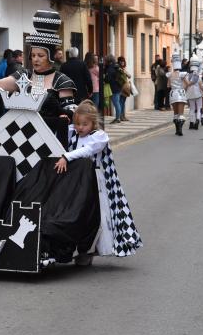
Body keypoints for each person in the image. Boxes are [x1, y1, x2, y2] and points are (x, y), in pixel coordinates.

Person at [54, 100, 142, 264]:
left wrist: (67, 156)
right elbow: (56, 136)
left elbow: (87, 151)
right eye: (77, 123)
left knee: (96, 215)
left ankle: (88, 251)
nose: (80, 127)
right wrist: (61, 122)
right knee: (75, 213)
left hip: (94, 181)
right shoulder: (73, 132)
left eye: (84, 124)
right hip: (75, 181)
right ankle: (74, 248)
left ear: (94, 123)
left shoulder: (99, 137)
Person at [0, 10, 77, 120]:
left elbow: (71, 113)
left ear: (50, 57)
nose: (35, 59)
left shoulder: (62, 81)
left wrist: (61, 113)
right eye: (33, 55)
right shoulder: (24, 75)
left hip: (51, 133)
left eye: (40, 55)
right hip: (23, 132)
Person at [167, 51, 188, 136]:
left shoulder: (169, 74)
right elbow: (187, 84)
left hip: (173, 94)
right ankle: (180, 129)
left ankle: (176, 129)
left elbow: (168, 85)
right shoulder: (182, 74)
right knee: (181, 114)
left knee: (175, 114)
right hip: (181, 93)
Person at [185, 55, 203, 130]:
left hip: (190, 94)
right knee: (199, 108)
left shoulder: (187, 76)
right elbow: (201, 86)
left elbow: (186, 86)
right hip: (198, 94)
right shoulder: (198, 76)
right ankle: (197, 120)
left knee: (192, 109)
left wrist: (186, 93)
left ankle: (191, 123)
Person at [105, 55, 122, 123]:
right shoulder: (116, 66)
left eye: (106, 60)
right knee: (117, 103)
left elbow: (108, 79)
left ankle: (118, 118)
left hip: (114, 88)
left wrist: (104, 78)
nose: (105, 62)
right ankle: (118, 117)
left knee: (116, 103)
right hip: (118, 87)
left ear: (109, 61)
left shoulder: (110, 68)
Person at [117, 56, 131, 121]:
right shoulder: (118, 69)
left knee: (123, 102)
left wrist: (124, 71)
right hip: (120, 87)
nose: (122, 62)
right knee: (121, 102)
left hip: (125, 88)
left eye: (123, 61)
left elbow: (129, 76)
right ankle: (120, 116)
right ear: (119, 62)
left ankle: (123, 116)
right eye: (121, 61)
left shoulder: (123, 69)